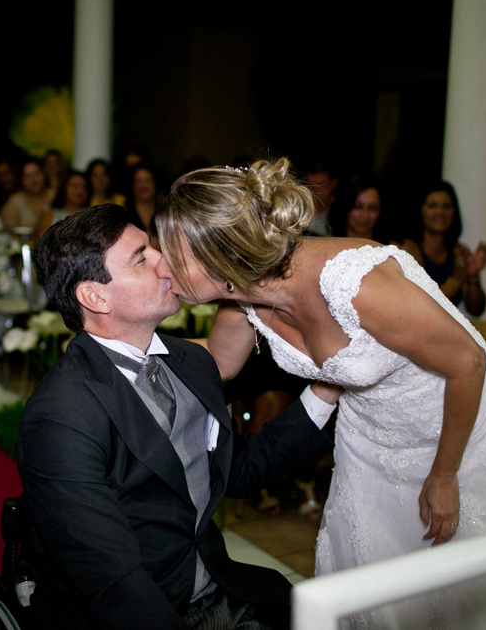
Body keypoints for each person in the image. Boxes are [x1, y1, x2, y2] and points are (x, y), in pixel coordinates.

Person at [156, 159, 486, 629]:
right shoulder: (241, 299)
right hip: (368, 434)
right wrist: (133, 337)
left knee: (472, 578)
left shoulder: (354, 282)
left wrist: (445, 472)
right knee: (378, 572)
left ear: (223, 253)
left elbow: (467, 362)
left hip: (453, 419)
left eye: (173, 253)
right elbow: (220, 361)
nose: (163, 266)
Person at [18, 204, 334, 630]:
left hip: (218, 589)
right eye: (140, 258)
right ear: (94, 296)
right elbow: (114, 581)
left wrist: (328, 389)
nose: (166, 265)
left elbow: (238, 470)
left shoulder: (188, 361)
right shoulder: (60, 416)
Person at [402, 182, 486, 316]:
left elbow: (476, 310)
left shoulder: (459, 252)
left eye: (446, 206)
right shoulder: (407, 250)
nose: (440, 212)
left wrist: (473, 276)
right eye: (432, 206)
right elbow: (422, 306)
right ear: (420, 210)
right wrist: (457, 279)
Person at [32, 171, 90, 241]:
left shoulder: (91, 217)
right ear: (64, 188)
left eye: (84, 187)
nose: (80, 191)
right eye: (75, 186)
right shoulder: (49, 215)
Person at [0, 160, 53, 231]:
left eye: (36, 173)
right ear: (21, 180)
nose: (33, 180)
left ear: (44, 174)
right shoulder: (15, 201)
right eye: (27, 176)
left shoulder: (55, 196)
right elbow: (8, 232)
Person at [331, 176, 385, 242]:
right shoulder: (323, 246)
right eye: (358, 207)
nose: (364, 215)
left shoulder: (394, 250)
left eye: (372, 208)